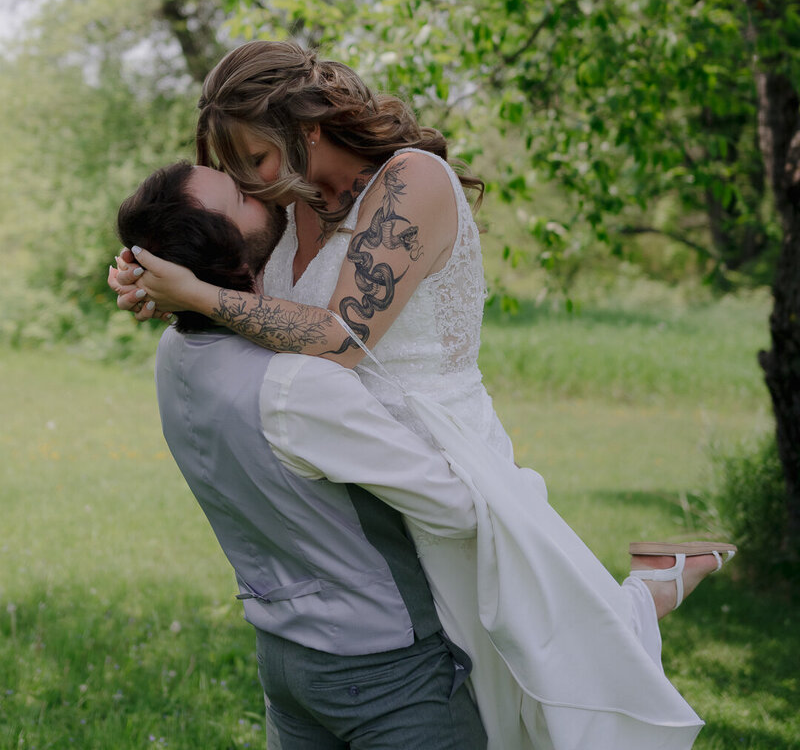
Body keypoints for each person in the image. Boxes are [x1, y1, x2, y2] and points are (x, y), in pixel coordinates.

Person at [112, 41, 735, 750]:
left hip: (435, 445)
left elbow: (343, 337)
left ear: (305, 129)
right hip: (346, 456)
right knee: (482, 678)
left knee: (530, 674)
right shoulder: (289, 205)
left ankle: (653, 588)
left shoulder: (412, 183)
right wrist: (154, 273)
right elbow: (231, 265)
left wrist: (196, 292)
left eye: (253, 161)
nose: (248, 186)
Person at [116, 160, 488, 750]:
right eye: (243, 194)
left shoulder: (173, 356)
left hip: (285, 662)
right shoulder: (297, 387)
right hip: (383, 669)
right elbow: (457, 509)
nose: (262, 188)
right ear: (232, 253)